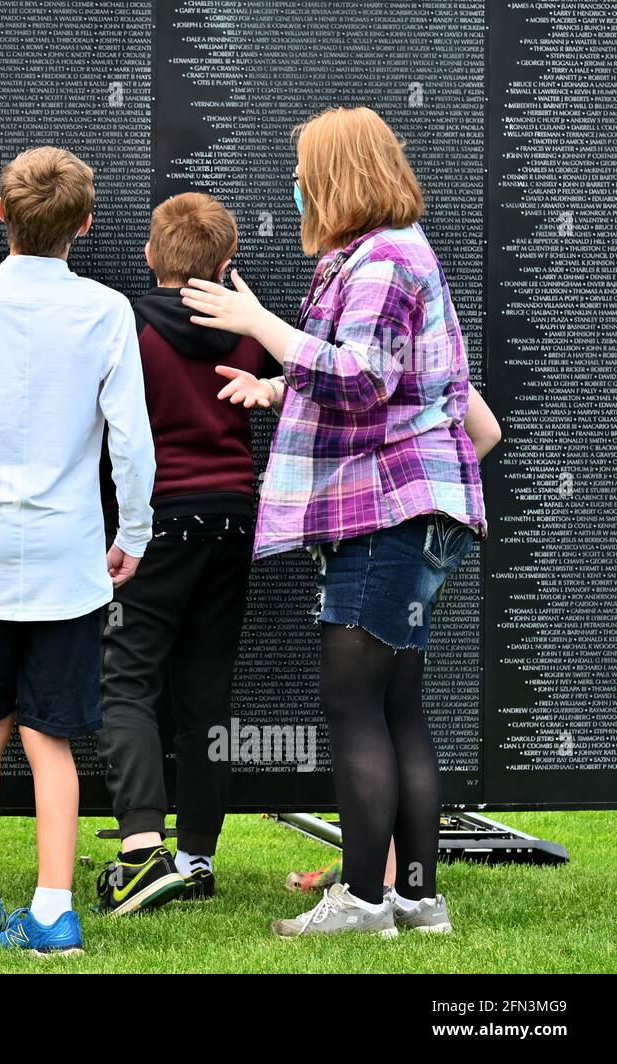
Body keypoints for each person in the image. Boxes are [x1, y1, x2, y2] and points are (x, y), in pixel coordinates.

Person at [181, 106, 497, 937]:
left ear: (333, 178)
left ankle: (362, 901)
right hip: (408, 512)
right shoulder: (383, 256)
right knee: (397, 706)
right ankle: (417, 900)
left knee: (355, 704)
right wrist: (276, 387)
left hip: (386, 514)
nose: (297, 189)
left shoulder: (384, 260)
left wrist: (263, 330)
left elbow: (359, 381)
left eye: (304, 173)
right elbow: (384, 382)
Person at [0, 146, 156, 955]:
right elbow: (133, 442)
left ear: (3, 215)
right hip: (70, 554)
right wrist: (136, 533)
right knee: (52, 737)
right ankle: (54, 909)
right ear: (85, 224)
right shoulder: (109, 311)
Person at [93, 192, 269, 916]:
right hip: (234, 522)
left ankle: (142, 846)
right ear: (227, 264)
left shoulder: (129, 329)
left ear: (148, 257)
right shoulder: (253, 336)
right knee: (207, 697)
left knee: (127, 682)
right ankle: (197, 854)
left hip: (157, 525)